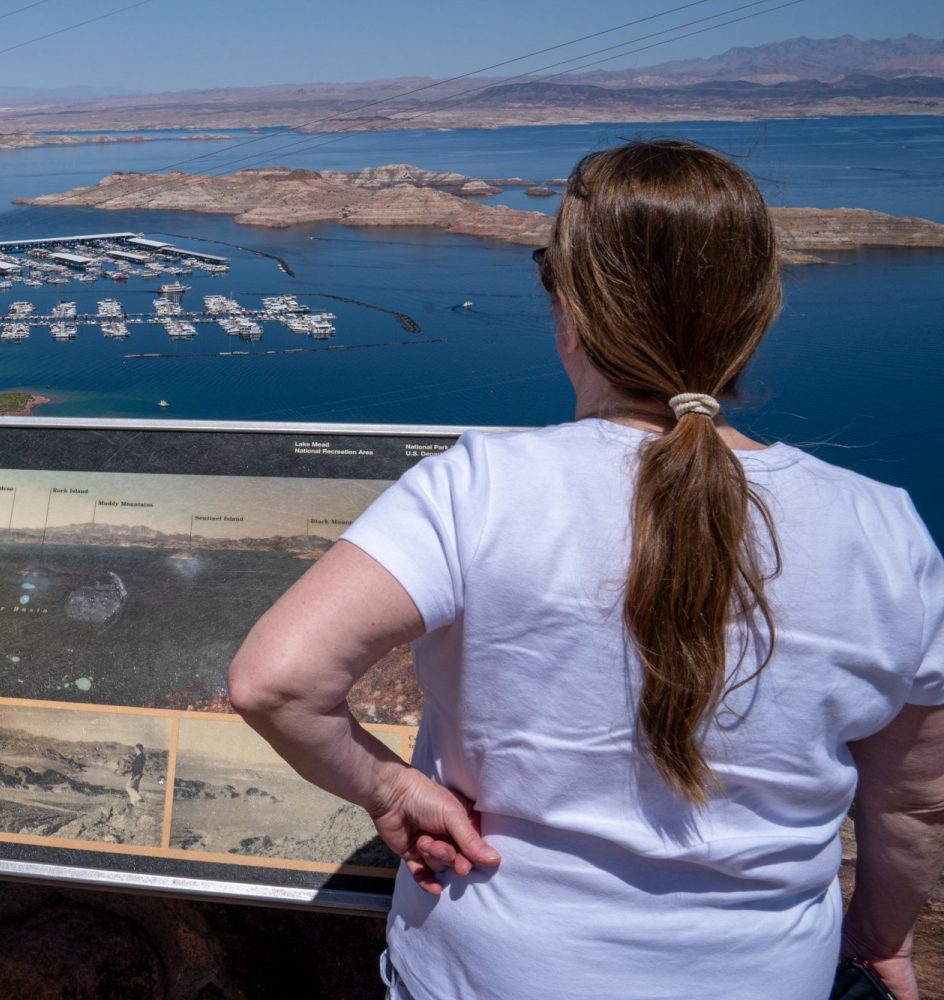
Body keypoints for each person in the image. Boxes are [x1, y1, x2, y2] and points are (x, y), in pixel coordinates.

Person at [228, 140, 944, 1000]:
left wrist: (389, 788)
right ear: (760, 312)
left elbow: (276, 682)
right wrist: (876, 938)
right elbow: (915, 803)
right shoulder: (885, 530)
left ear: (569, 305)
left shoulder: (480, 486)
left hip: (490, 973)